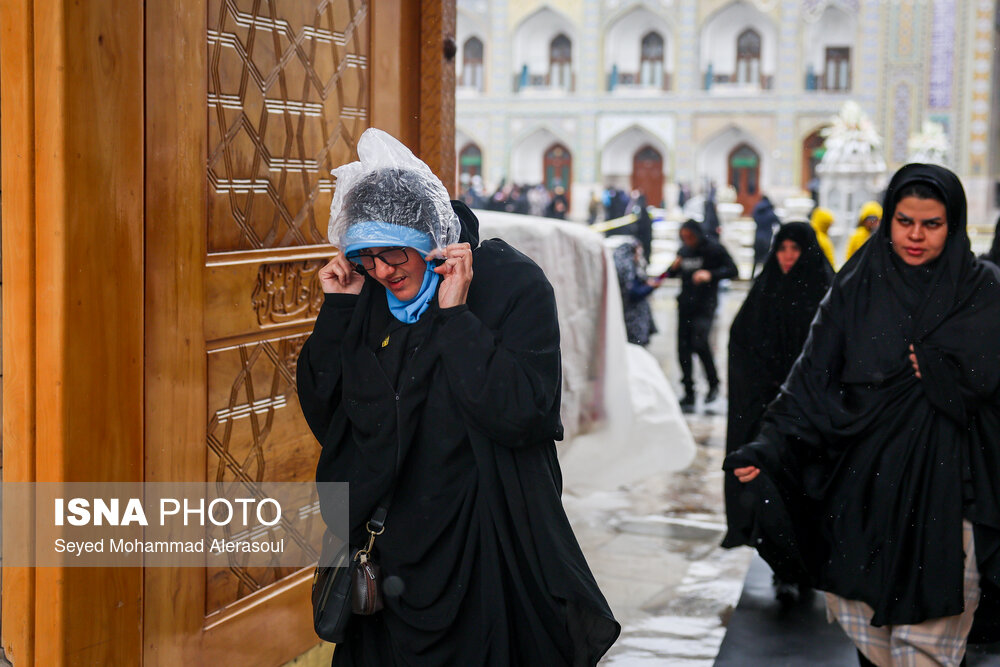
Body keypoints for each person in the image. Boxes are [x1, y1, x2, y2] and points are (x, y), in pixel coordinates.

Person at [297, 129, 620, 665]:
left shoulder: (511, 284)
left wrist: (455, 316)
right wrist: (339, 309)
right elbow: (329, 416)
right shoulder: (370, 295)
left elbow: (523, 413)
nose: (383, 271)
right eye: (365, 257)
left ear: (428, 234)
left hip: (480, 547)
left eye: (393, 252)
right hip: (388, 552)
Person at [724, 164, 1000, 666]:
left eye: (932, 224)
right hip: (863, 491)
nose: (915, 236)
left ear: (954, 224)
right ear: (889, 218)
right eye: (904, 221)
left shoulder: (982, 292)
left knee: (926, 647)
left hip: (947, 496)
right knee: (871, 643)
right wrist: (769, 445)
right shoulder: (859, 287)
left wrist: (946, 376)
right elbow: (812, 377)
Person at [723, 222, 833, 604]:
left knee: (808, 496)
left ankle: (805, 568)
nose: (787, 256)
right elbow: (741, 344)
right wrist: (765, 387)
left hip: (811, 420)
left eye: (795, 248)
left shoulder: (825, 293)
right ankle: (784, 570)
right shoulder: (766, 291)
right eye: (782, 248)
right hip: (769, 418)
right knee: (773, 498)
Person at [665, 219, 739, 413]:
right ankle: (688, 390)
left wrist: (710, 275)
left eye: (690, 237)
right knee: (683, 348)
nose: (687, 240)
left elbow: (733, 270)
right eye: (684, 237)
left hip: (705, 305)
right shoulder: (684, 251)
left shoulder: (714, 249)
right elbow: (671, 274)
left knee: (700, 343)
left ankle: (713, 385)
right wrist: (673, 268)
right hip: (685, 305)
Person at [613, 238, 663, 346]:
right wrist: (650, 287)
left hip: (630, 318)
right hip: (632, 320)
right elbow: (633, 293)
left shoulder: (627, 268)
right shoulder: (627, 269)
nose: (639, 256)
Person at [750, 196, 780, 279]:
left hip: (757, 236)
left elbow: (754, 218)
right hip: (767, 237)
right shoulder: (770, 211)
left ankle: (752, 276)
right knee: (765, 258)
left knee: (756, 258)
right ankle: (764, 277)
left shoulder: (757, 210)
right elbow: (778, 222)